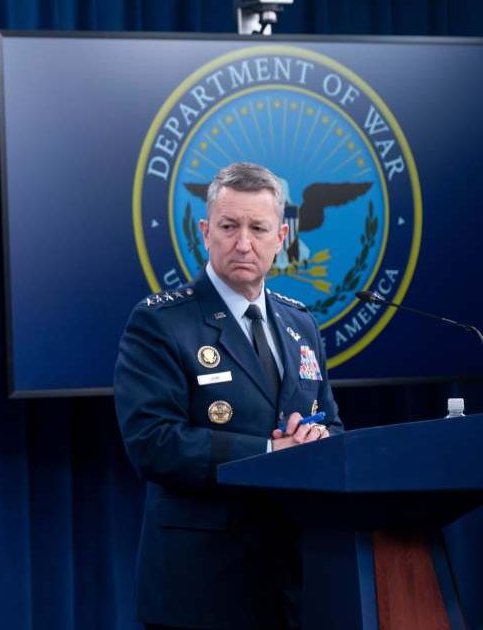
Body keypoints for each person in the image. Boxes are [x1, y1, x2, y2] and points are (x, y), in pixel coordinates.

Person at [114, 162, 344, 629]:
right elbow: (153, 443)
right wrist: (268, 452)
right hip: (200, 586)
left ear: (281, 236)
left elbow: (331, 423)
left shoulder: (301, 323)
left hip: (292, 582)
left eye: (258, 228)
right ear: (205, 231)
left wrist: (315, 437)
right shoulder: (161, 322)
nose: (244, 243)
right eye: (229, 226)